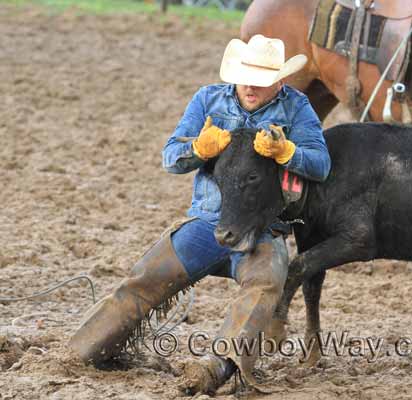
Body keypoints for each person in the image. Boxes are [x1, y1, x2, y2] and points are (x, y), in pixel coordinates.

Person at [69, 34, 331, 393]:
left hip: (263, 230)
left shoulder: (297, 108)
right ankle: (82, 351)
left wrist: (287, 151)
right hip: (207, 222)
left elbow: (321, 164)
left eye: (262, 78)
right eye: (245, 75)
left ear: (280, 81)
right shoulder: (208, 99)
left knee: (265, 284)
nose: (251, 86)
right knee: (144, 280)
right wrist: (197, 148)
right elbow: (171, 157)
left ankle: (220, 366)